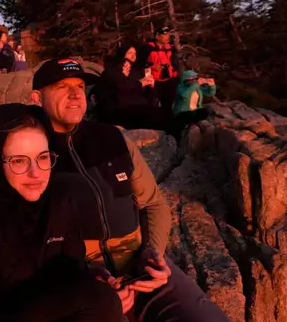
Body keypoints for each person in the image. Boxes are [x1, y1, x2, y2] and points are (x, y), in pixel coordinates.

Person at [30, 58, 230, 322]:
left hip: (141, 267)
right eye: (61, 86)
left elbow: (154, 204)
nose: (75, 94)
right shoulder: (29, 154)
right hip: (85, 284)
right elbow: (27, 235)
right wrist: (84, 277)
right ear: (37, 97)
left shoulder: (113, 139)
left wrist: (153, 253)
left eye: (79, 86)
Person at [0, 103, 123, 322]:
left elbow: (71, 271)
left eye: (43, 157)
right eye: (18, 161)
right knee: (101, 301)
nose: (35, 173)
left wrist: (90, 278)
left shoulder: (61, 200)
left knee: (103, 300)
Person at [94, 45, 171, 131]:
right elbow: (120, 87)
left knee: (164, 113)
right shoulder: (111, 71)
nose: (133, 56)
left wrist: (151, 87)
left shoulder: (137, 72)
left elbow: (149, 97)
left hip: (140, 108)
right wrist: (139, 83)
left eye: (135, 53)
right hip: (119, 110)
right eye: (130, 53)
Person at [146, 26, 179, 113]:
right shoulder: (148, 48)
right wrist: (153, 67)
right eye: (165, 35)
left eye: (169, 34)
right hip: (155, 82)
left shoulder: (170, 47)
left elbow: (174, 62)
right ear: (157, 36)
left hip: (169, 81)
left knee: (168, 105)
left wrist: (174, 77)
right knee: (152, 106)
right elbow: (141, 64)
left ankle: (167, 122)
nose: (168, 36)